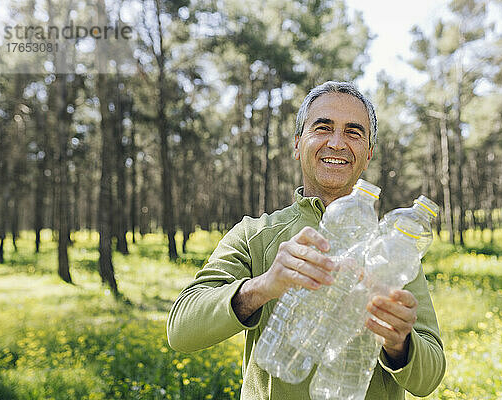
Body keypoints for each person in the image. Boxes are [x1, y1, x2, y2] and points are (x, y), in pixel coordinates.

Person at [167, 81, 446, 399]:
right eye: (323, 127)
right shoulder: (255, 235)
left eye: (354, 132)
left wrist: (400, 343)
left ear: (368, 155)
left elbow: (430, 377)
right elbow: (180, 331)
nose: (337, 143)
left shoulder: (392, 250)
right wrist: (264, 286)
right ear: (298, 144)